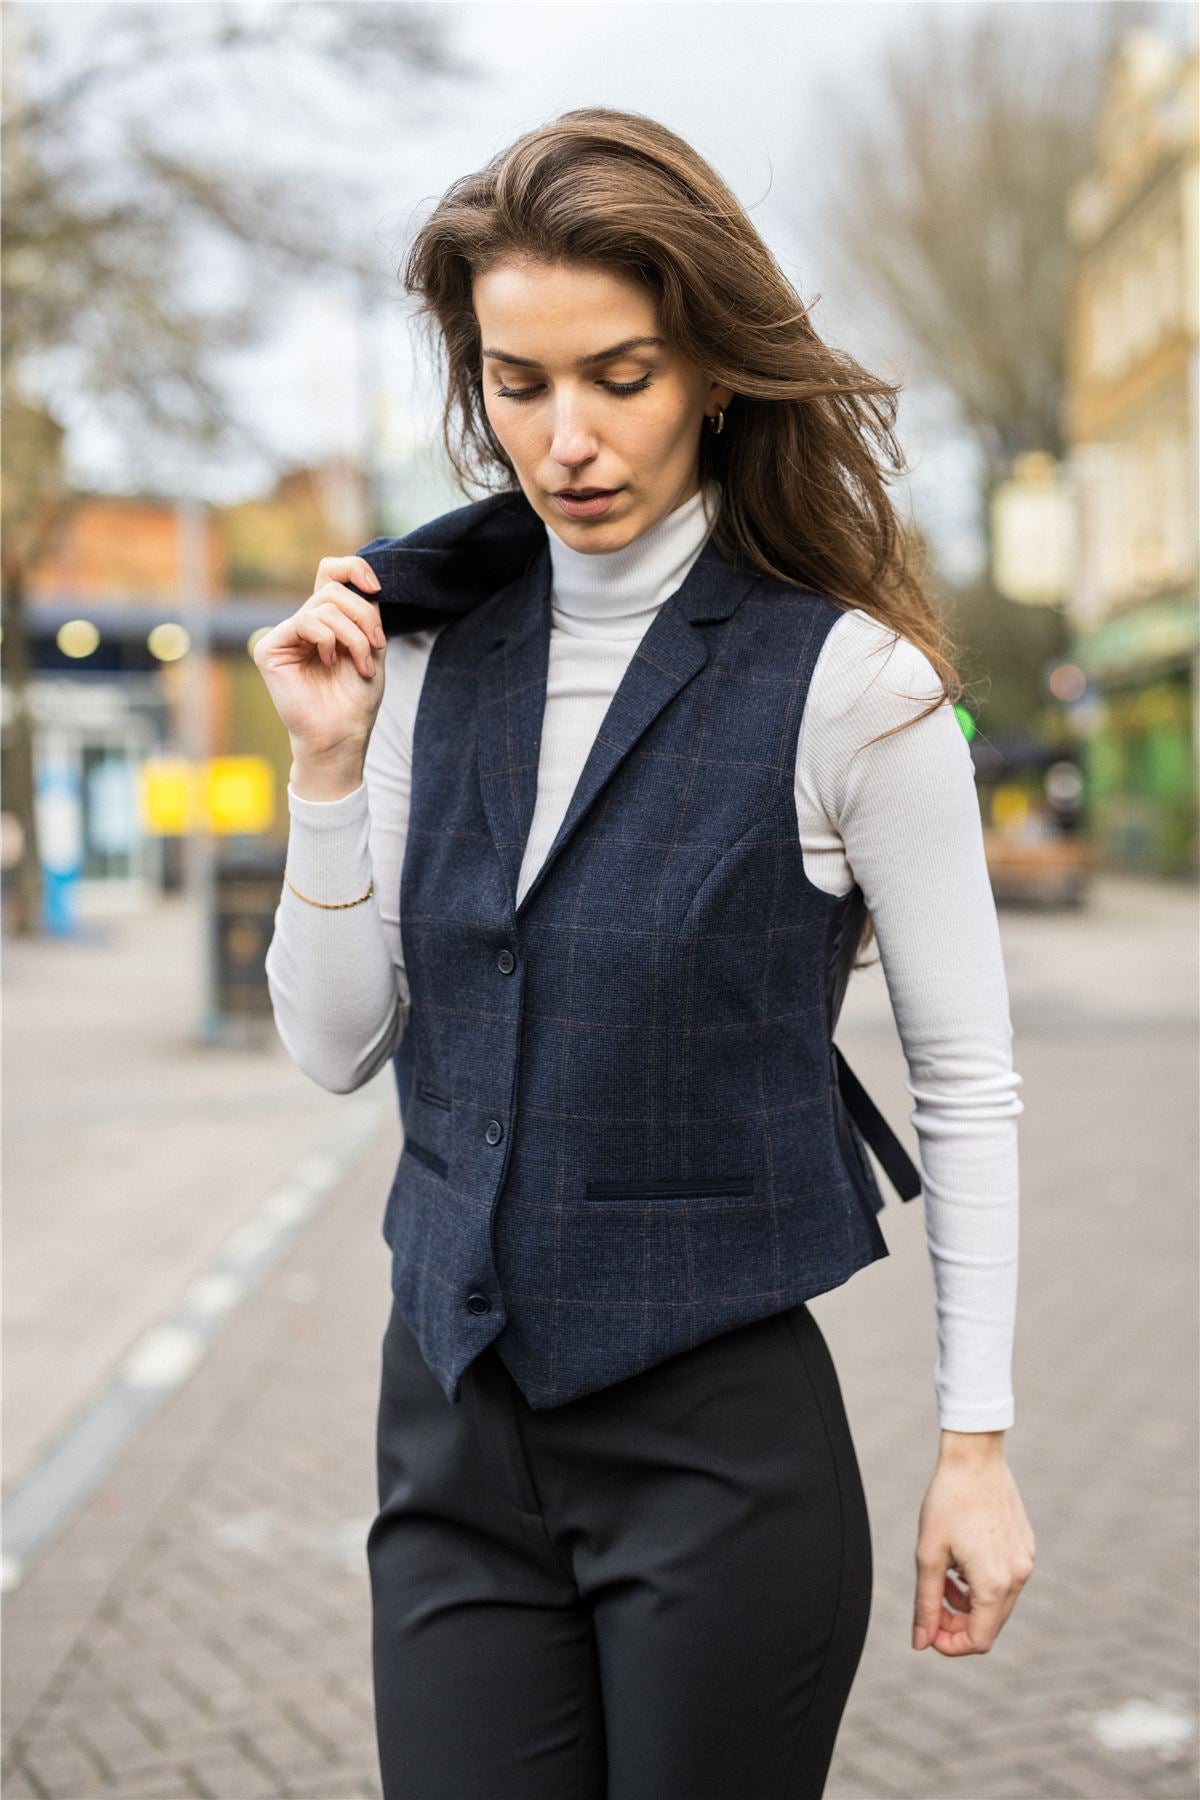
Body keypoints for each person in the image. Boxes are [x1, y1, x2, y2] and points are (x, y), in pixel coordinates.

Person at [256, 107, 1036, 1800]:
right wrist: (326, 770)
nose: (567, 439)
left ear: (716, 371)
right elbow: (333, 1047)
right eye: (518, 384)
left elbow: (969, 1082)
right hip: (453, 1436)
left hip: (718, 1457)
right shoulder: (432, 660)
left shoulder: (855, 687)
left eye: (621, 375)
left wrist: (974, 1451)